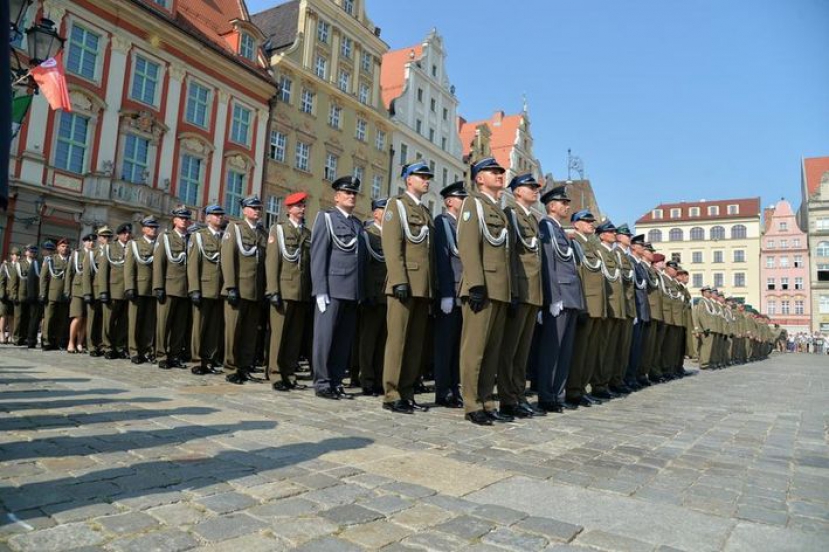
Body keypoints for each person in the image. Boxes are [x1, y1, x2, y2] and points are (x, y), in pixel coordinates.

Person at [457, 157, 514, 426]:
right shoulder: (473, 204)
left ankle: (487, 400)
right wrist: (475, 283)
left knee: (492, 350)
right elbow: (468, 245)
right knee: (475, 349)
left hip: (500, 289)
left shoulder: (498, 210)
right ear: (479, 178)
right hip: (483, 287)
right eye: (494, 172)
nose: (500, 175)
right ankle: (471, 403)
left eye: (501, 172)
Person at [381, 161, 436, 414]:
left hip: (422, 287)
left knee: (415, 343)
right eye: (421, 176)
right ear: (408, 179)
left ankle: (408, 391)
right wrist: (399, 279)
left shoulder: (424, 212)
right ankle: (392, 394)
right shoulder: (397, 206)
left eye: (427, 177)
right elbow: (392, 246)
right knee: (398, 341)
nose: (426, 180)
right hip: (403, 284)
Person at [310, 176, 367, 399]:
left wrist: (360, 291)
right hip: (332, 288)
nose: (351, 196)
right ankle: (322, 383)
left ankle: (335, 381)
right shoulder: (326, 219)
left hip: (351, 290)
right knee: (325, 338)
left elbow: (359, 261)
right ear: (336, 196)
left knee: (343, 340)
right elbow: (318, 256)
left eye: (354, 193)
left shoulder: (356, 224)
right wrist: (320, 289)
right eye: (347, 193)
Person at [499, 174, 546, 417]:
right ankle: (508, 398)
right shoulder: (511, 215)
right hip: (520, 288)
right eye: (530, 187)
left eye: (536, 188)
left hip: (533, 291)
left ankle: (518, 394)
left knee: (523, 350)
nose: (535, 191)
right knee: (511, 348)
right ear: (517, 191)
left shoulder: (531, 218)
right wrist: (513, 291)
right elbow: (509, 254)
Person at [536, 185, 583, 412]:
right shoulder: (546, 226)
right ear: (551, 206)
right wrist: (553, 297)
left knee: (565, 350)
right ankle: (547, 395)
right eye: (563, 203)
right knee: (552, 350)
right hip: (560, 296)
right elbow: (548, 262)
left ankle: (558, 393)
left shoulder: (559, 230)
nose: (567, 206)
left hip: (571, 295)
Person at [266, 193, 312, 390]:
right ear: (289, 208)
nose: (302, 208)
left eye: (303, 205)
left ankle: (289, 373)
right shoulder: (279, 230)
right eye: (298, 205)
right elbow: (272, 261)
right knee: (279, 334)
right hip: (283, 290)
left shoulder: (307, 233)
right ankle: (276, 373)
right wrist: (272, 289)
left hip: (301, 291)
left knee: (294, 336)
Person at [222, 196, 267, 384]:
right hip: (239, 288)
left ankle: (245, 366)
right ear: (244, 210)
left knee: (250, 332)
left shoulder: (262, 234)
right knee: (234, 330)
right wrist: (230, 286)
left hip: (255, 290)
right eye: (253, 207)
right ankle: (232, 367)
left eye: (258, 208)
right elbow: (227, 258)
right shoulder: (235, 229)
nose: (256, 211)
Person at [566, 210, 606, 407]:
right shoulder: (575, 243)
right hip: (586, 303)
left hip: (597, 304)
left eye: (592, 222)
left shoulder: (593, 245)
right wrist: (580, 304)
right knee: (580, 350)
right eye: (587, 221)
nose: (591, 224)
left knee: (590, 351)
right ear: (576, 224)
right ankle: (573, 389)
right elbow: (576, 274)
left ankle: (582, 387)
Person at [433, 182, 467, 408]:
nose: (464, 202)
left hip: (463, 291)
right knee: (445, 345)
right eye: (460, 198)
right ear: (449, 201)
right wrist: (446, 292)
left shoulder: (463, 224)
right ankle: (443, 390)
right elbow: (442, 259)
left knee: (458, 346)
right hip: (450, 291)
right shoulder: (442, 223)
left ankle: (455, 388)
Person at [188, 205, 226, 375]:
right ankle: (197, 360)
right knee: (200, 326)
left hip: (219, 289)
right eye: (215, 215)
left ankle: (209, 359)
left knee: (213, 327)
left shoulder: (224, 237)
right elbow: (193, 264)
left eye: (220, 215)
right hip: (203, 287)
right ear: (208, 218)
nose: (219, 218)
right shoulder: (199, 236)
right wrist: (194, 288)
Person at [154, 207, 192, 369]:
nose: (184, 220)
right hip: (169, 286)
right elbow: (159, 263)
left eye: (186, 218)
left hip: (186, 288)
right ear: (174, 220)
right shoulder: (166, 237)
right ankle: (161, 355)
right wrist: (158, 286)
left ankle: (175, 355)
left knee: (179, 325)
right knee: (164, 323)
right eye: (181, 218)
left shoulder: (191, 239)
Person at [358, 198, 388, 397]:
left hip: (389, 295)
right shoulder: (368, 234)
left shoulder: (392, 234)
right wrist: (366, 293)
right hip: (373, 295)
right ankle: (366, 379)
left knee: (383, 341)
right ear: (375, 213)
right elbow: (364, 267)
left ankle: (379, 378)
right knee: (368, 340)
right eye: (384, 210)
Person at [591, 220, 625, 400]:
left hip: (616, 306)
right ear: (602, 235)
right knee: (602, 347)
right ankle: (598, 384)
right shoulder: (600, 252)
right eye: (610, 232)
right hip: (607, 304)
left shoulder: (614, 255)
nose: (614, 235)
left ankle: (606, 382)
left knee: (612, 347)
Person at [124, 217, 158, 364]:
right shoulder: (135, 244)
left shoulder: (159, 245)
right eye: (150, 227)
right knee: (135, 321)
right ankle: (134, 351)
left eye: (155, 227)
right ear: (143, 229)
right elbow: (129, 268)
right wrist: (130, 287)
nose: (153, 229)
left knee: (149, 323)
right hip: (138, 288)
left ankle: (146, 350)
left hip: (152, 289)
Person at [98, 224, 131, 359]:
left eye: (128, 233)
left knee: (124, 321)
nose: (126, 235)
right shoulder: (109, 247)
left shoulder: (132, 247)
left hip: (127, 290)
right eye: (123, 233)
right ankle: (107, 347)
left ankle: (119, 346)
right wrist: (103, 291)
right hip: (112, 289)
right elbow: (103, 271)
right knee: (109, 321)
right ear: (118, 235)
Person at [625, 234, 651, 389]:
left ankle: (633, 376)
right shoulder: (631, 262)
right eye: (640, 246)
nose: (643, 248)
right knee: (631, 347)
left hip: (642, 309)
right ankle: (629, 377)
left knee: (638, 347)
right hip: (635, 307)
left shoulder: (640, 265)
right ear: (633, 247)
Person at [39, 238, 70, 350]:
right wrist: (42, 293)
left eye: (66, 246)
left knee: (61, 320)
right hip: (51, 295)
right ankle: (46, 341)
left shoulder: (71, 260)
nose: (65, 248)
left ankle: (57, 341)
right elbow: (43, 278)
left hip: (65, 295)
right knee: (49, 318)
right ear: (57, 248)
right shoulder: (50, 259)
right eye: (62, 246)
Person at [66, 235, 95, 353]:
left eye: (93, 241)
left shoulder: (95, 253)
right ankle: (71, 342)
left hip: (91, 289)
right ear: (84, 242)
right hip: (78, 289)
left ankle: (79, 343)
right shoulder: (77, 254)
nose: (91, 243)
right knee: (77, 317)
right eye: (89, 241)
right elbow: (69, 272)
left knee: (86, 319)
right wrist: (67, 290)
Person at [0, 248, 18, 344]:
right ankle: (2, 334)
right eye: (15, 254)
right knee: (3, 315)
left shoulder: (19, 266)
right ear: (11, 256)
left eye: (18, 255)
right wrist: (2, 293)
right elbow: (2, 280)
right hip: (6, 294)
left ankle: (10, 335)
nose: (17, 257)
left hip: (14, 295)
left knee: (12, 316)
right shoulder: (6, 266)